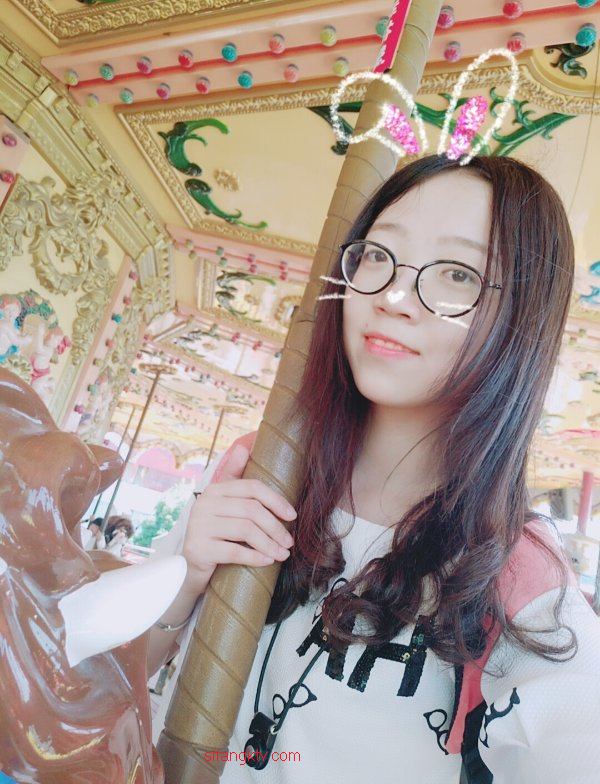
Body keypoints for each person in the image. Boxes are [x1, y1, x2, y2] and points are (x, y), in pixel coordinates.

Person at [149, 155, 600, 783]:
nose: (391, 297)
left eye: (458, 274)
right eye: (378, 255)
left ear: (521, 317)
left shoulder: (512, 564)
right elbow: (112, 675)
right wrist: (186, 579)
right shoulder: (261, 468)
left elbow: (575, 734)